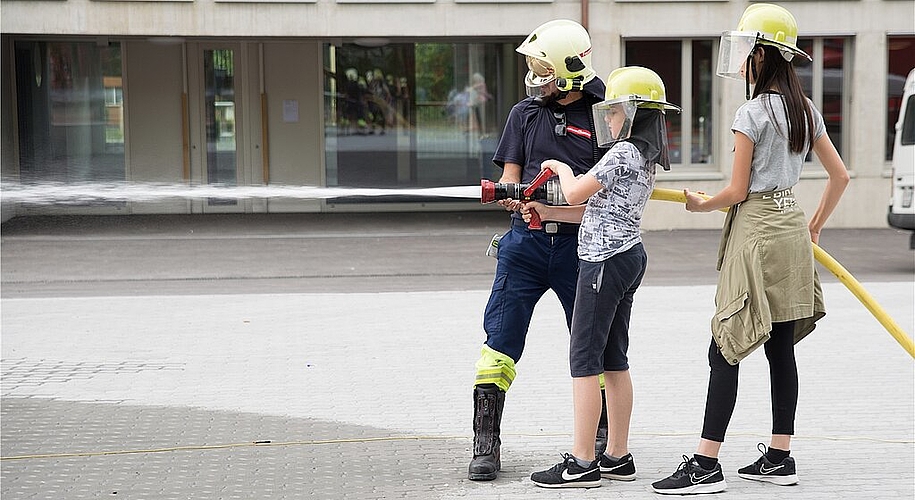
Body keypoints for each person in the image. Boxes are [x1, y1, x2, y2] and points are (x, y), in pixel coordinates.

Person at [651, 3, 850, 495]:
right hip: (790, 229)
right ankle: (780, 456)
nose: (741, 59)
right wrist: (816, 227)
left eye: (746, 49)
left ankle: (705, 464)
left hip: (757, 233)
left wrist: (701, 205)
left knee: (726, 344)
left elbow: (737, 191)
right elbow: (841, 175)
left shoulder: (751, 112)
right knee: (780, 347)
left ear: (763, 54)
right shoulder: (805, 110)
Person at [468, 19, 610, 481]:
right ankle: (486, 444)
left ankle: (601, 440)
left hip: (580, 250)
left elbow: (611, 189)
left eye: (542, 68)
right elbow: (512, 176)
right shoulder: (523, 113)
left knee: (594, 347)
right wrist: (511, 195)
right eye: (532, 66)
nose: (535, 77)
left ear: (570, 69)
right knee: (499, 344)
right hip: (524, 246)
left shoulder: (604, 112)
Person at [526, 66, 681, 488]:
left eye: (614, 111)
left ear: (633, 113)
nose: (607, 119)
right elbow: (592, 208)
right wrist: (546, 212)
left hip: (603, 261)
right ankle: (617, 455)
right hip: (628, 255)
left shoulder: (621, 153)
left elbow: (576, 192)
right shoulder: (645, 156)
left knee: (583, 361)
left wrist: (558, 166)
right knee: (614, 359)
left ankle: (581, 462)